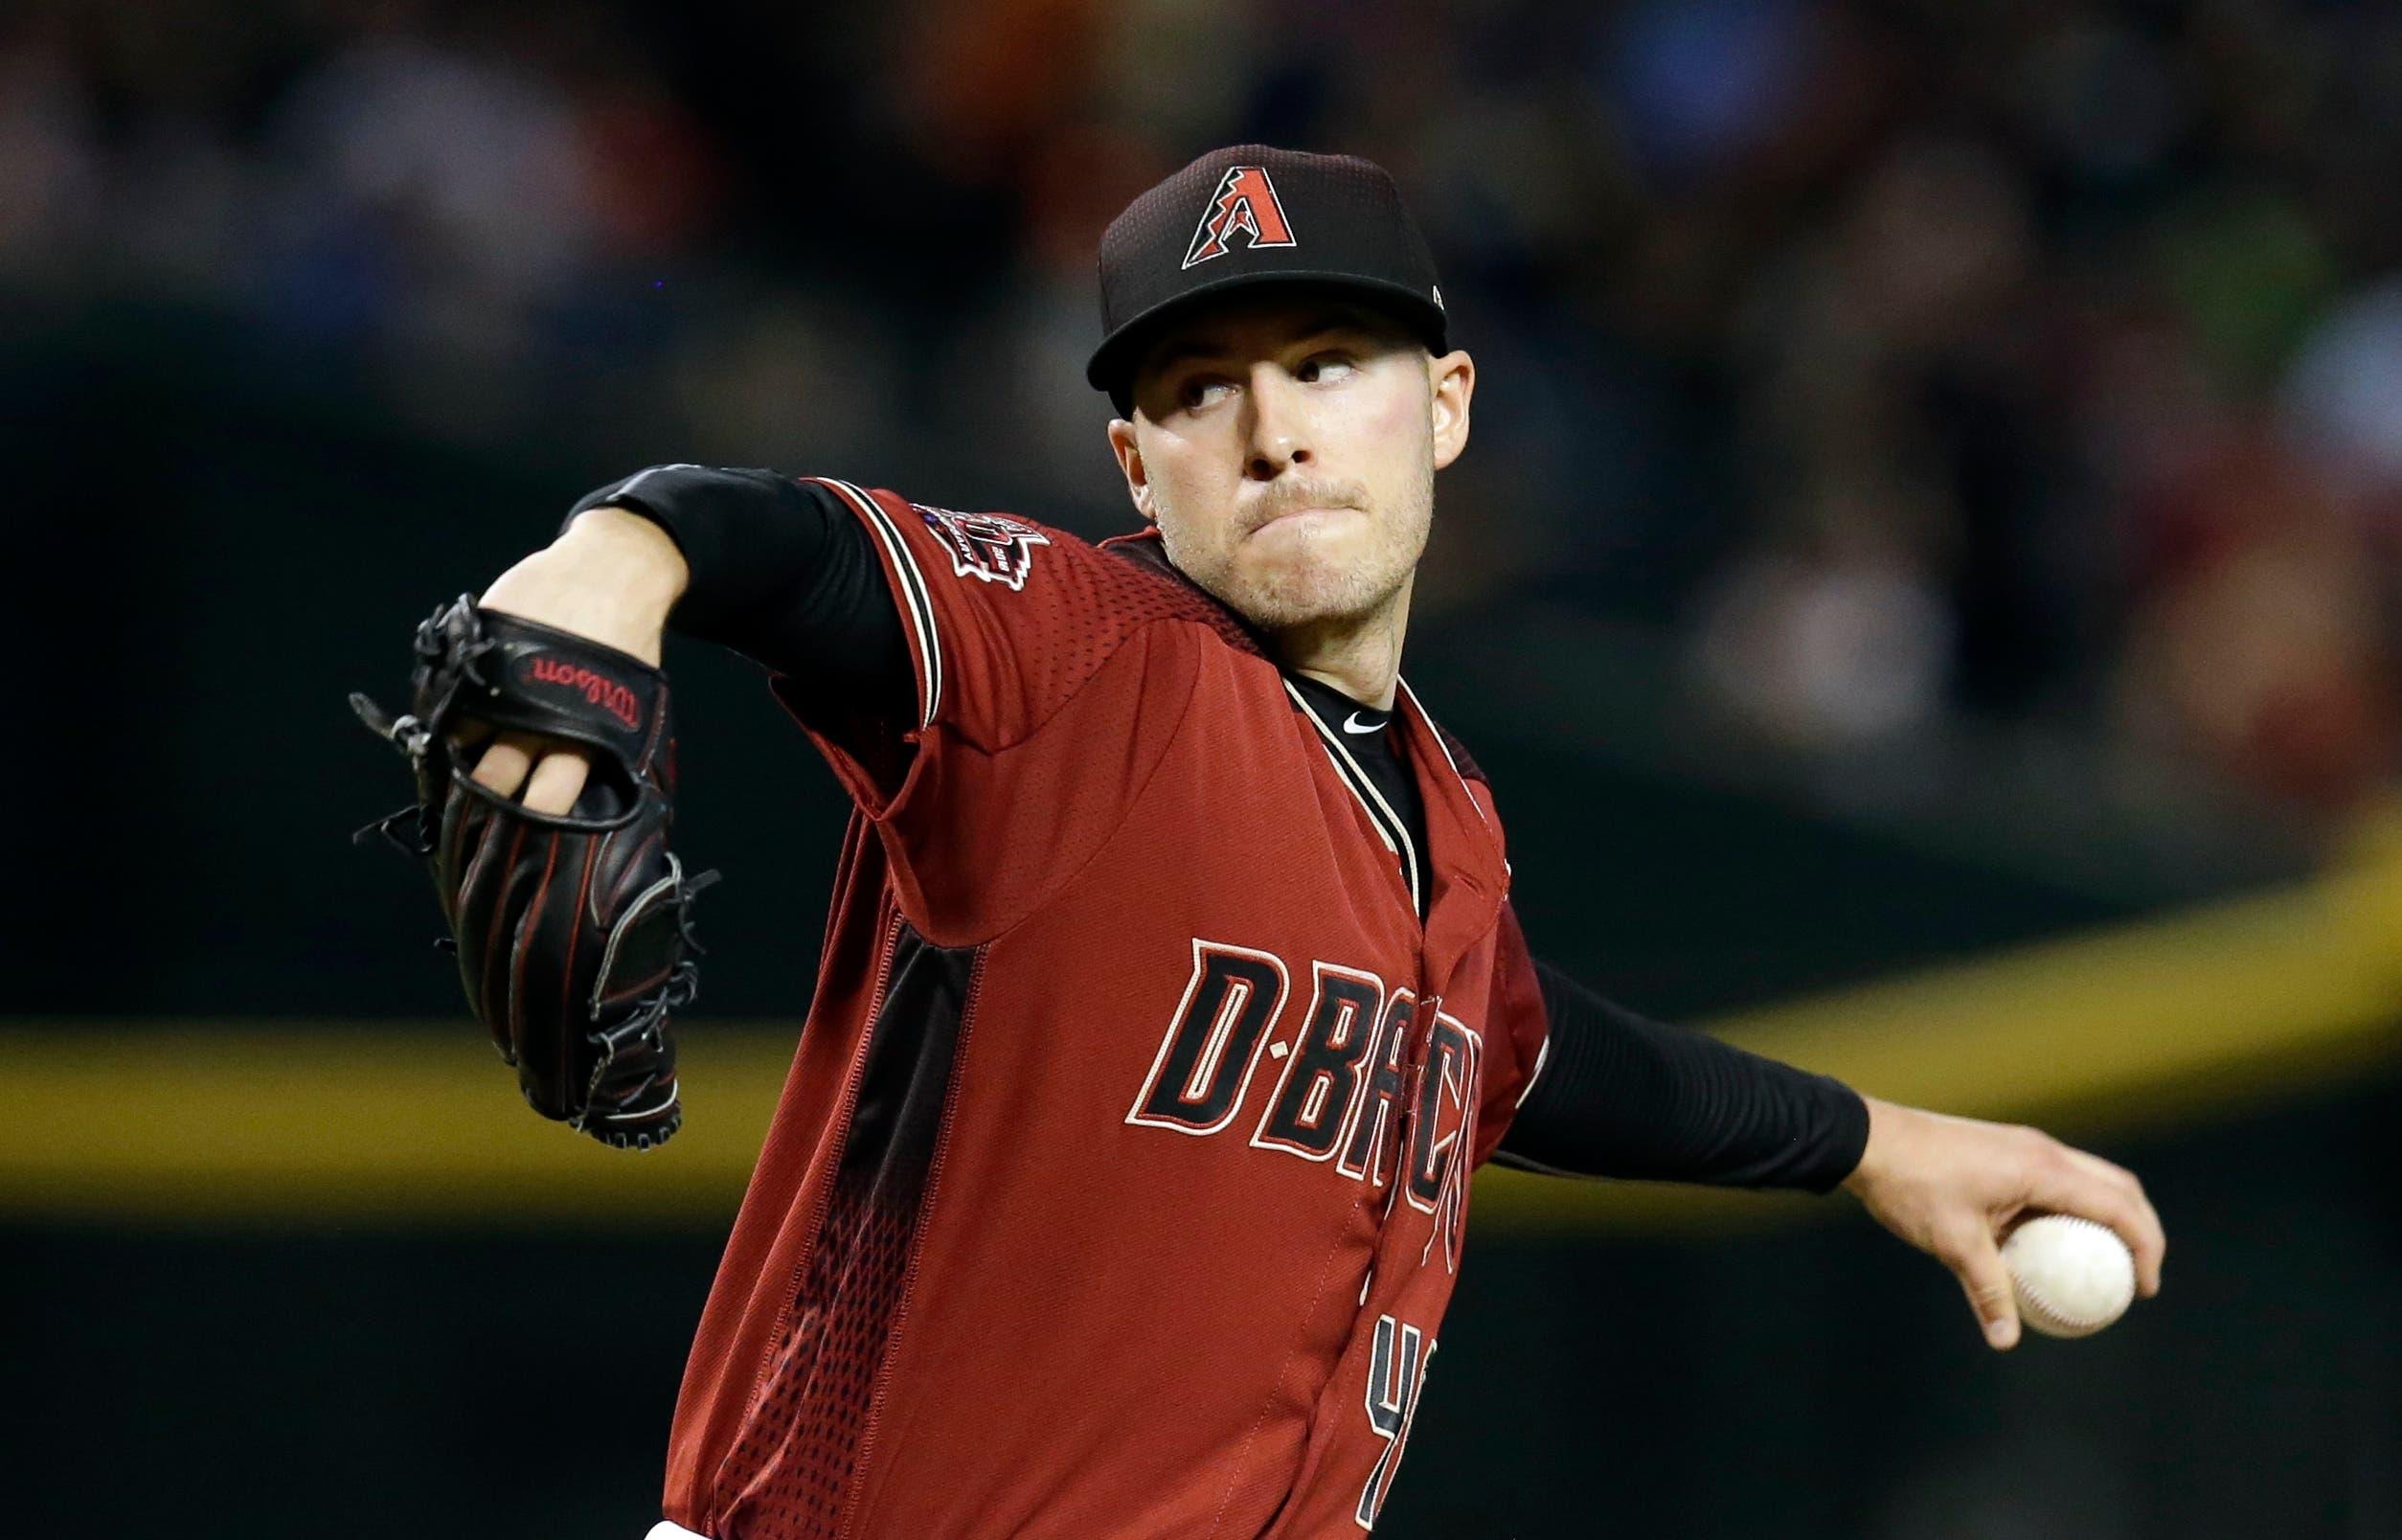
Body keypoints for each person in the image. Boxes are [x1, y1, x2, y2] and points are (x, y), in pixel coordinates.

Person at [458, 147, 2164, 1538]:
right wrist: (624, 557)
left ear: (1446, 406)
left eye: (1327, 366)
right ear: (1135, 455)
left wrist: (1873, 1144)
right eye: (1201, 389)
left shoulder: (1443, 817)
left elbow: (1526, 1049)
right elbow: (790, 548)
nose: (1271, 430)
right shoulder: (1076, 658)